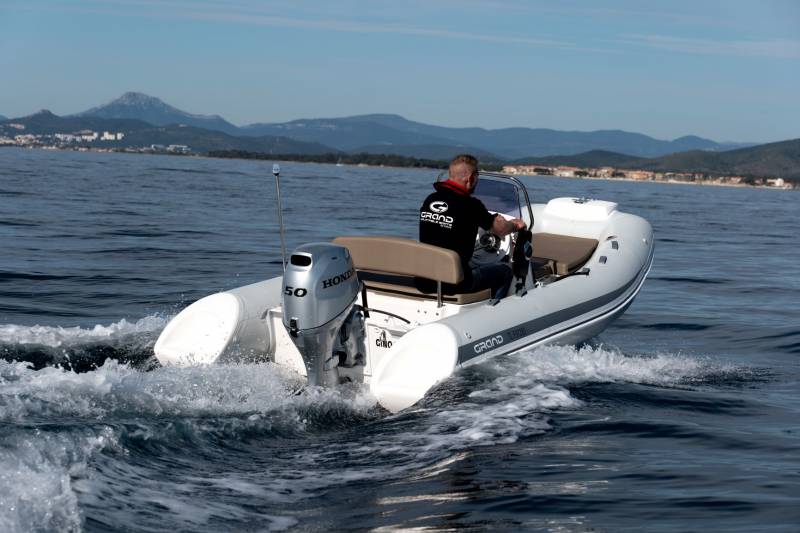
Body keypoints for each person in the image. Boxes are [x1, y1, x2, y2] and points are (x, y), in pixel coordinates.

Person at [419, 154, 526, 299]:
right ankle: (494, 308)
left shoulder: (430, 199)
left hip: (423, 281)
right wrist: (515, 225)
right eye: (477, 177)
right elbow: (500, 229)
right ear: (470, 178)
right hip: (456, 284)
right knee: (505, 271)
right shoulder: (471, 205)